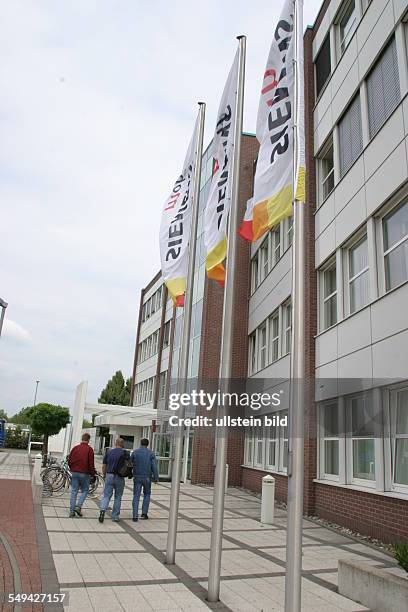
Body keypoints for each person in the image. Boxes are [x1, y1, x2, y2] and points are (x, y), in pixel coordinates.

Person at [99, 437, 128, 523]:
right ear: (122, 444)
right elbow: (129, 465)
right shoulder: (125, 453)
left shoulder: (109, 452)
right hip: (120, 477)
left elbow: (104, 465)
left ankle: (102, 511)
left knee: (106, 495)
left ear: (116, 443)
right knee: (118, 497)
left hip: (109, 475)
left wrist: (104, 475)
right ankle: (115, 516)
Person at [67, 432, 96, 518]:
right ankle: (78, 506)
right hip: (84, 473)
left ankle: (71, 512)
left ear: (82, 439)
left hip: (75, 473)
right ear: (88, 440)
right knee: (85, 490)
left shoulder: (75, 448)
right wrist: (93, 474)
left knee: (74, 491)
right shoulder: (90, 450)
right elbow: (91, 464)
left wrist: (72, 469)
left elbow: (69, 460)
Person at [131, 438, 159, 522]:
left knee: (136, 495)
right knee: (147, 494)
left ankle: (135, 515)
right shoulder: (151, 453)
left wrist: (131, 473)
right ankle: (144, 514)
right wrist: (156, 477)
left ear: (140, 443)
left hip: (137, 476)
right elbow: (154, 466)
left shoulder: (135, 452)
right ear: (148, 444)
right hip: (147, 477)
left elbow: (130, 463)